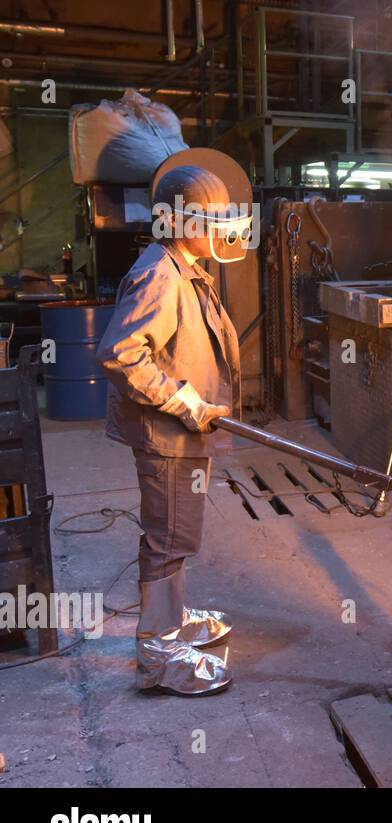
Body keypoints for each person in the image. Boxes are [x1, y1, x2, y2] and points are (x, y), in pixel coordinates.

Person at [97, 160, 250, 696]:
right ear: (182, 223)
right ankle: (159, 653)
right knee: (165, 540)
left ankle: (173, 615)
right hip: (166, 436)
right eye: (212, 221)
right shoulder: (161, 274)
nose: (223, 230)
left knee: (176, 535)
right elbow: (120, 354)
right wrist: (183, 399)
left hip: (184, 433)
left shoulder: (185, 266)